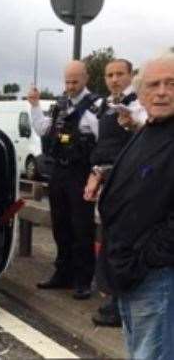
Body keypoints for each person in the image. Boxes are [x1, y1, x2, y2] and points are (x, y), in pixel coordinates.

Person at [98, 53, 174, 359]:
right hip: (132, 273)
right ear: (140, 94)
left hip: (156, 276)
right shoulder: (151, 129)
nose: (161, 91)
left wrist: (144, 259)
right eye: (153, 84)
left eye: (171, 84)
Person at [29, 60, 100, 300]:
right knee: (60, 225)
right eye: (67, 81)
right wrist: (35, 105)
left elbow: (103, 142)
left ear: (86, 78)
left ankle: (82, 280)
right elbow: (42, 129)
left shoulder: (96, 106)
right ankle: (63, 273)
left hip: (81, 173)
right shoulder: (60, 105)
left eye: (75, 81)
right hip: (59, 172)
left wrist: (97, 175)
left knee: (82, 228)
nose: (70, 86)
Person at [83, 59, 147, 327]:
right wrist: (94, 172)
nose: (114, 79)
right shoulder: (104, 107)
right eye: (109, 75)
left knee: (123, 242)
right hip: (107, 180)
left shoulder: (139, 104)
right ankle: (111, 297)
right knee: (107, 238)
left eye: (120, 74)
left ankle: (121, 302)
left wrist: (133, 123)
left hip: (131, 183)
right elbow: (102, 145)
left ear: (131, 75)